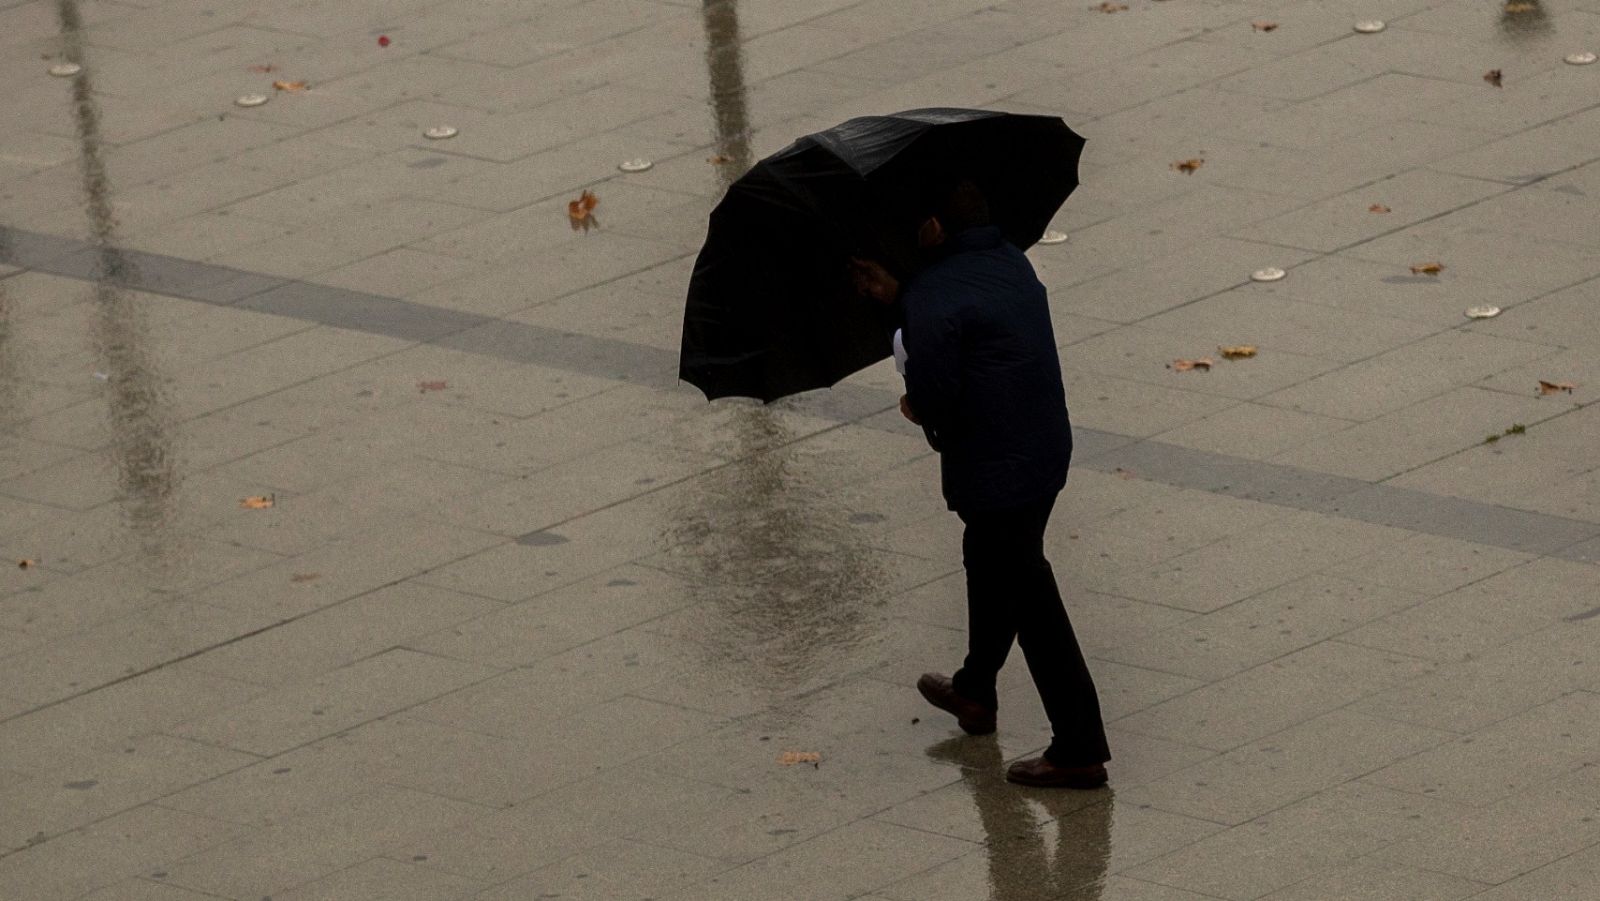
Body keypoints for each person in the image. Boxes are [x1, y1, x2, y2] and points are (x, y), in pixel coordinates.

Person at [850, 181, 1110, 789]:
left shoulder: (932, 296)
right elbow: (962, 324)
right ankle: (974, 689)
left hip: (996, 469)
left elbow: (937, 393)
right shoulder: (1009, 262)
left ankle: (1079, 747)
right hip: (1041, 453)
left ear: (935, 230)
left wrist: (916, 402)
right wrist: (902, 299)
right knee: (990, 558)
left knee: (1030, 595)